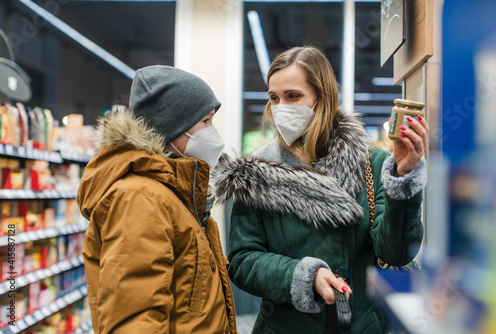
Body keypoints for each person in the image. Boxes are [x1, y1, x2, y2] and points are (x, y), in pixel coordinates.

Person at [212, 46, 428, 333]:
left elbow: (397, 253)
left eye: (293, 96)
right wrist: (302, 275)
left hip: (364, 325)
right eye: (274, 98)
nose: (280, 108)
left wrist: (404, 177)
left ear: (323, 98)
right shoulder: (254, 174)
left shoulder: (372, 164)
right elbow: (241, 261)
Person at [77, 65, 237, 333]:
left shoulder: (176, 191)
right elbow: (135, 317)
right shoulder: (139, 198)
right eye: (206, 121)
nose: (212, 133)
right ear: (173, 127)